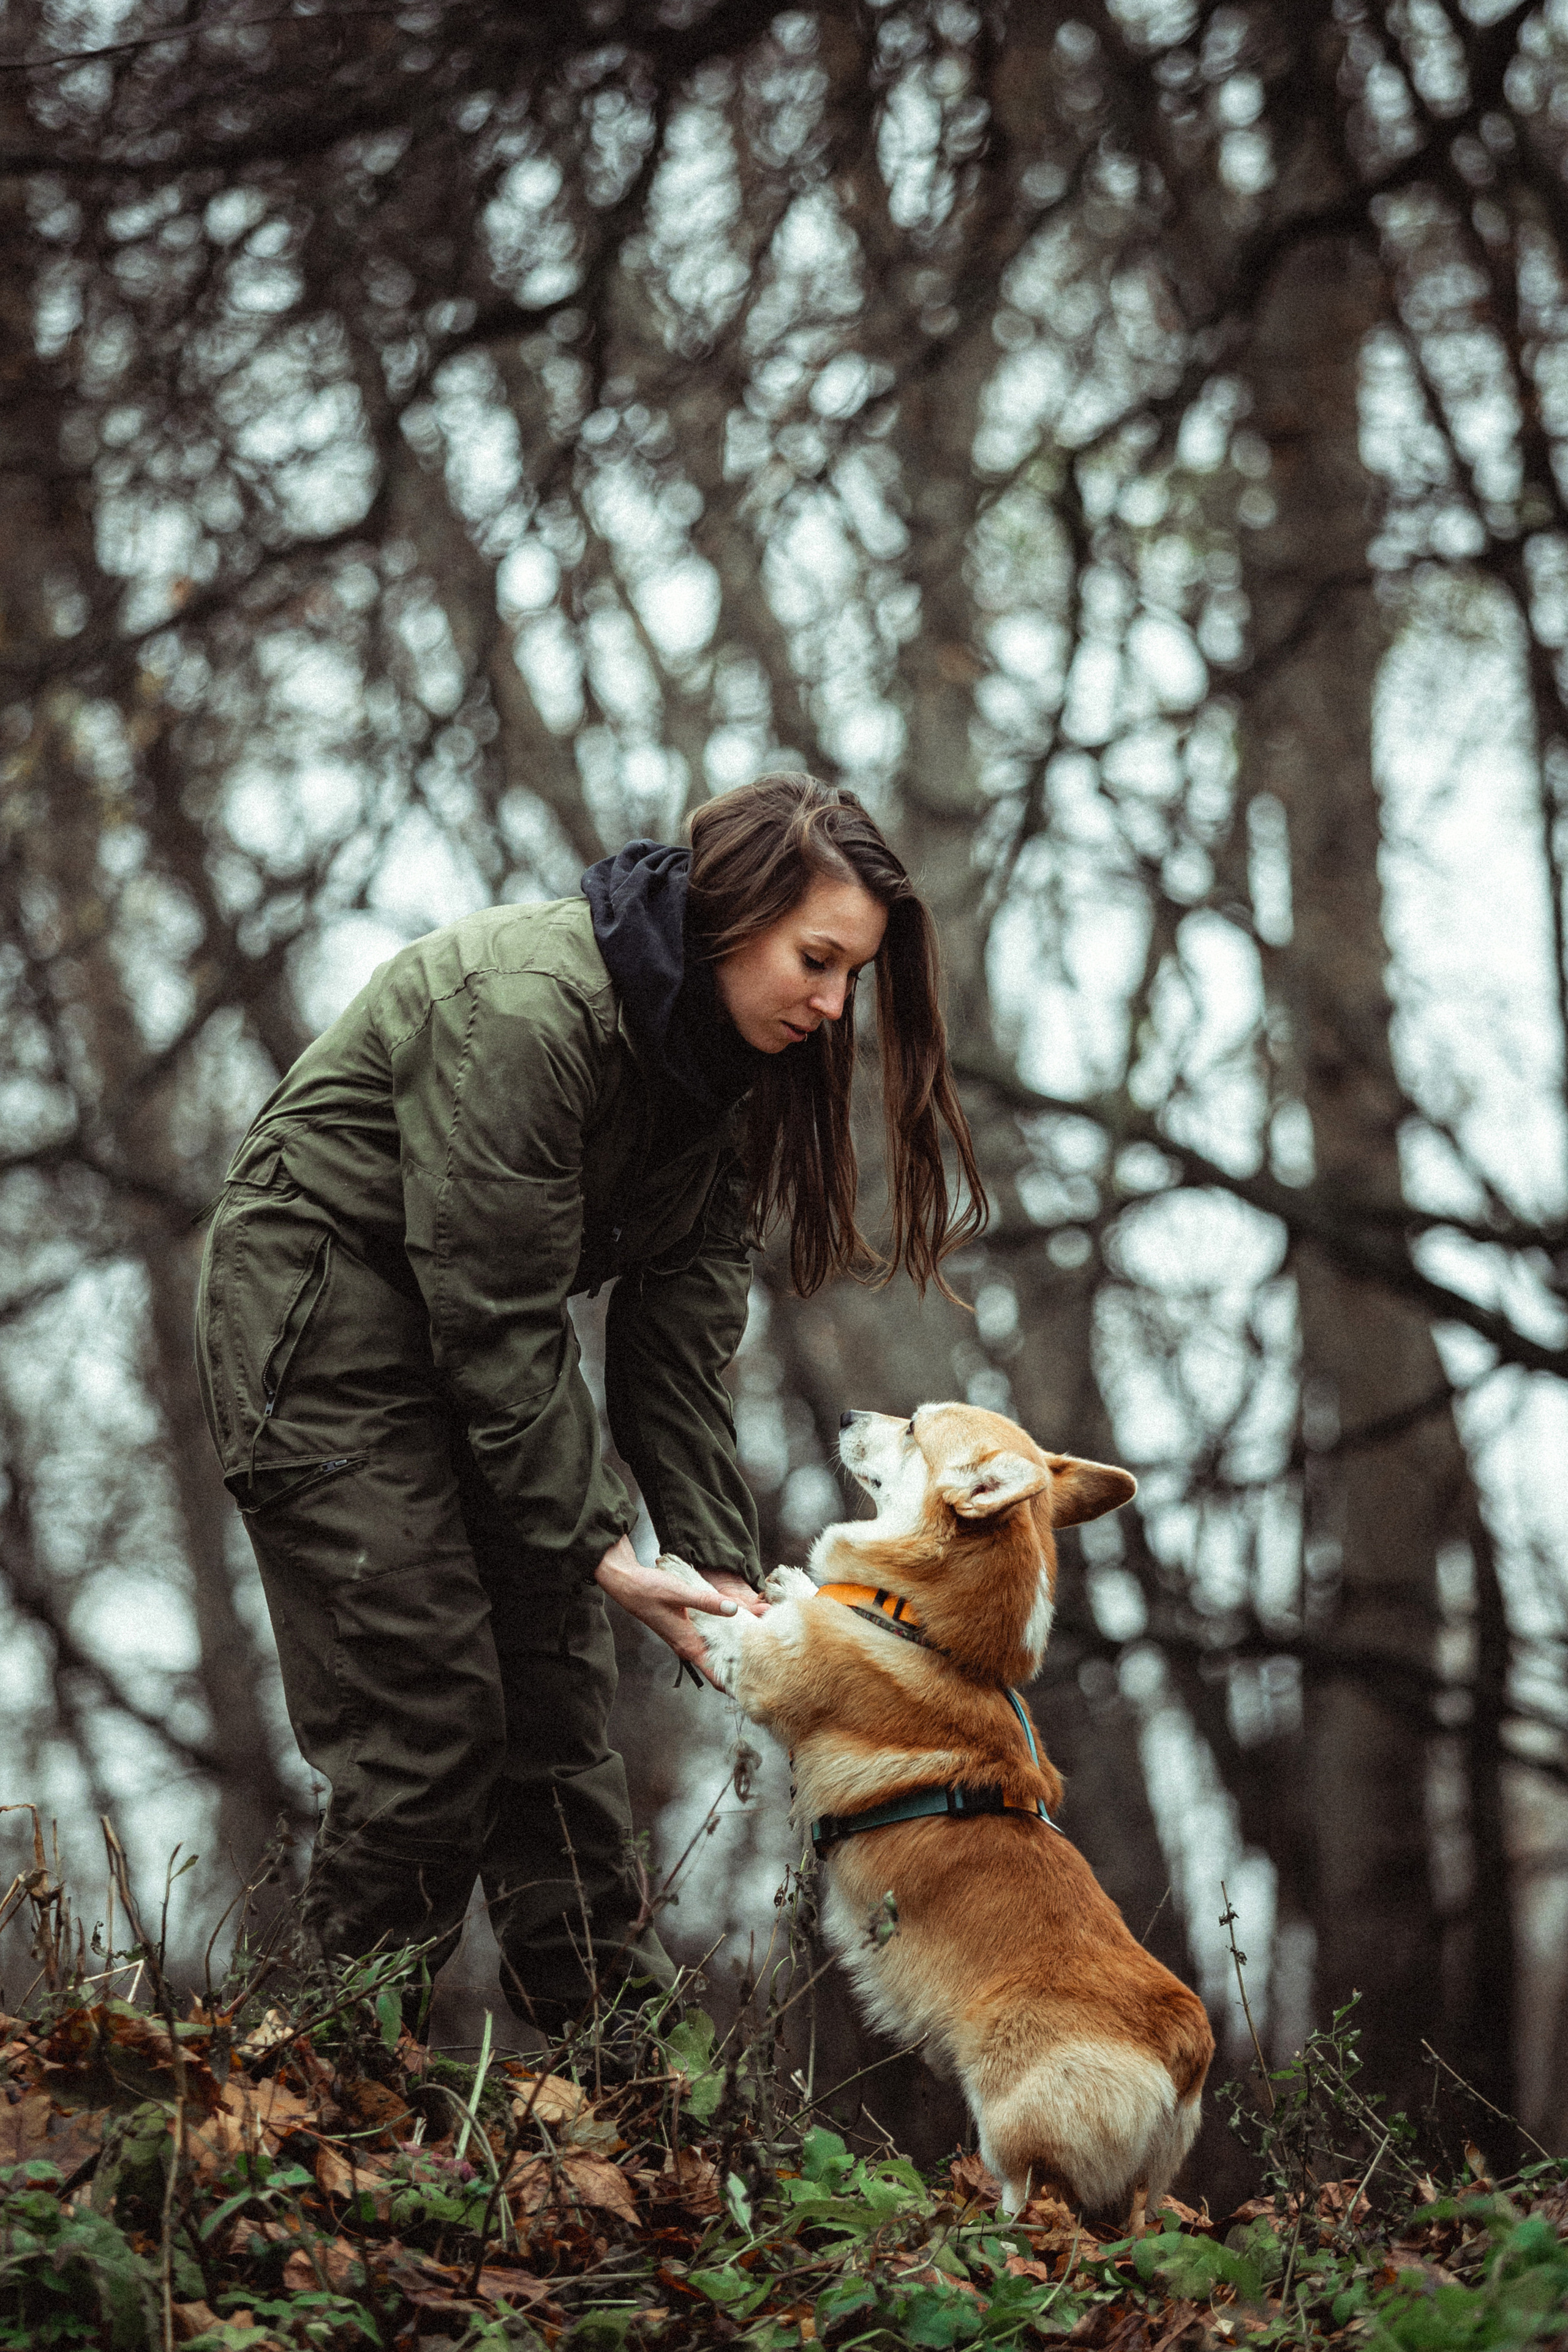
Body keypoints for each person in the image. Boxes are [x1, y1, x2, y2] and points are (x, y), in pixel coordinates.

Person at [194, 773, 986, 2034]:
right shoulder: (526, 1007)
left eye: (854, 976)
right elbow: (497, 1312)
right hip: (326, 1337)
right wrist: (604, 1548)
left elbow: (674, 1349)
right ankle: (306, 2091)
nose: (835, 1004)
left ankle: (627, 2107)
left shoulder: (720, 1079)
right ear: (733, 913)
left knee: (557, 1727)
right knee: (434, 1721)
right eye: (817, 960)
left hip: (480, 1355)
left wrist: (721, 1580)